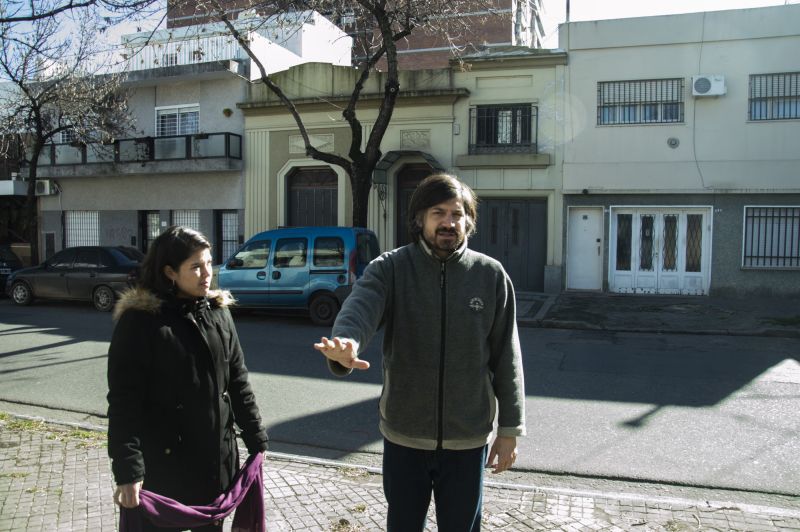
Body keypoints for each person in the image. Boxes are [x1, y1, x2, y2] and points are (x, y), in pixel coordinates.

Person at [314, 173, 525, 532]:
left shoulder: (490, 275)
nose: (448, 222)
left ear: (468, 222)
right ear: (419, 219)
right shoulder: (391, 268)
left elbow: (507, 356)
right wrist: (347, 342)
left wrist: (510, 429)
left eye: (456, 214)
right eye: (437, 212)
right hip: (404, 436)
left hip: (467, 438)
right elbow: (361, 307)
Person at [107, 226, 269, 532]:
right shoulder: (140, 323)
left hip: (215, 465)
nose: (207, 274)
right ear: (169, 272)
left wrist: (256, 438)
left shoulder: (219, 313)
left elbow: (237, 381)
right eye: (195, 267)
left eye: (209, 263)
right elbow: (123, 403)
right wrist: (128, 471)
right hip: (164, 469)